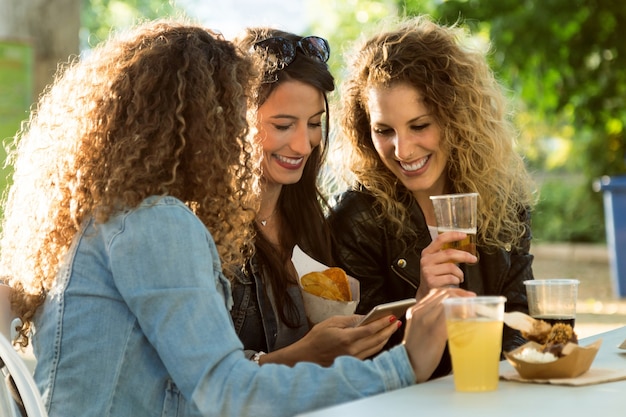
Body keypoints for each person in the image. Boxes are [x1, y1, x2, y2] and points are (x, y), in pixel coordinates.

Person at [0, 19, 474, 417]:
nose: (236, 134)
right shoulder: (156, 224)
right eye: (234, 114)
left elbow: (190, 392)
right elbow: (228, 393)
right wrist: (404, 364)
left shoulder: (128, 217)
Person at [329, 16, 537, 378]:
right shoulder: (357, 220)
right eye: (384, 131)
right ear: (366, 130)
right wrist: (423, 303)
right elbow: (360, 369)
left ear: (455, 118)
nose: (403, 150)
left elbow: (520, 324)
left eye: (419, 126)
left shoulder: (503, 201)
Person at [230, 27, 399, 367]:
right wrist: (305, 354)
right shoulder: (209, 232)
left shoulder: (311, 220)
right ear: (238, 119)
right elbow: (197, 377)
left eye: (313, 123)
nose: (303, 145)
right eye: (283, 125)